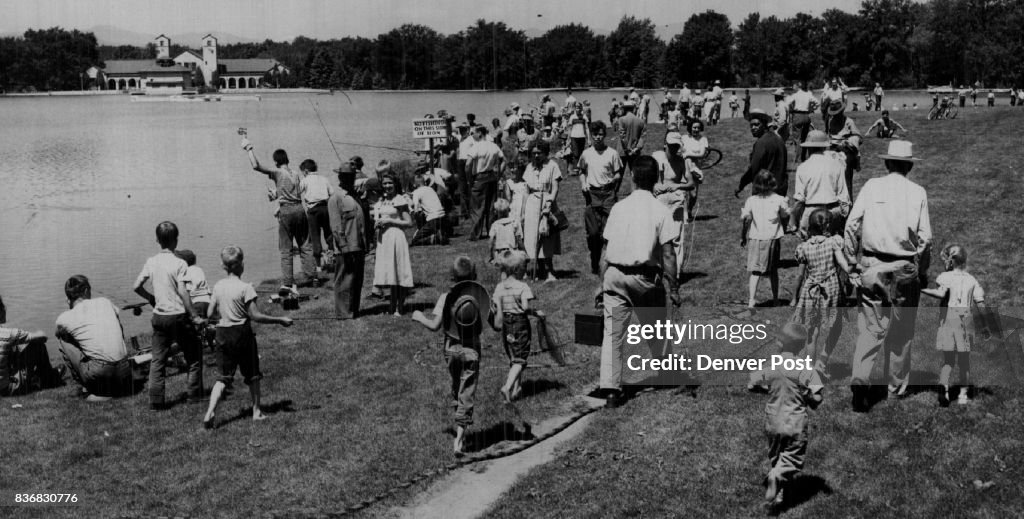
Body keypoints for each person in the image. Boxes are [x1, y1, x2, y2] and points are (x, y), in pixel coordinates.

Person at [845, 140, 931, 411]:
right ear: (909, 165)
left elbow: (851, 225)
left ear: (887, 162)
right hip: (904, 267)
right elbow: (926, 239)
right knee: (902, 331)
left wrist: (852, 262)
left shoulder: (871, 186)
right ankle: (895, 388)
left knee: (870, 328)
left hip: (871, 264)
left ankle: (860, 379)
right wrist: (924, 270)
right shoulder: (917, 192)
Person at [599, 156, 681, 407]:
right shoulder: (661, 210)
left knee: (612, 334)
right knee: (656, 326)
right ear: (656, 180)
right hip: (643, 277)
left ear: (632, 177)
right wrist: (674, 286)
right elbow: (668, 253)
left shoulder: (618, 207)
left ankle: (611, 391)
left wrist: (599, 283)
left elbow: (605, 249)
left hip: (614, 274)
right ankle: (665, 371)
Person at [202, 245, 293, 429]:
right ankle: (257, 411)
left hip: (222, 334)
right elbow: (255, 316)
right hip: (242, 334)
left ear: (223, 266)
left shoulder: (218, 286)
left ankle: (210, 410)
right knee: (252, 375)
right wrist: (280, 320)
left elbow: (210, 313)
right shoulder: (246, 288)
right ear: (241, 265)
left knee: (222, 377)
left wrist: (222, 314)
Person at [412, 256, 488, 455]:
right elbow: (493, 322)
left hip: (451, 350)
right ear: (475, 275)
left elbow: (434, 326)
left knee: (457, 387)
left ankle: (459, 430)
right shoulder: (477, 297)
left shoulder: (446, 298)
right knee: (467, 391)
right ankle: (460, 439)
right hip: (471, 351)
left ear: (451, 277)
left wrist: (419, 316)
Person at [747, 323, 824, 512]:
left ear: (780, 344)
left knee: (777, 455)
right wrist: (809, 398)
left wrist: (765, 389)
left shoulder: (770, 365)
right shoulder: (805, 368)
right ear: (801, 346)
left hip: (773, 421)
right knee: (793, 457)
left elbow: (752, 383)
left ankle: (778, 489)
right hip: (795, 421)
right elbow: (817, 397)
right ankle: (777, 477)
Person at [133, 221, 204, 410]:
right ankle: (194, 396)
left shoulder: (151, 261)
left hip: (159, 317)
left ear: (157, 240)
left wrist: (150, 298)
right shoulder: (180, 263)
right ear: (176, 240)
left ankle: (156, 402)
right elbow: (183, 292)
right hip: (178, 316)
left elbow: (136, 286)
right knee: (194, 356)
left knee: (158, 360)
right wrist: (195, 316)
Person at [242, 138, 315, 290]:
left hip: (287, 212)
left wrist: (249, 148)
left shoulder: (277, 171)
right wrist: (277, 193)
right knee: (305, 245)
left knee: (286, 247)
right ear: (287, 159)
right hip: (300, 209)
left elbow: (256, 166)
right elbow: (295, 191)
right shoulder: (295, 173)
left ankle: (288, 282)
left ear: (276, 162)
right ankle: (312, 276)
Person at [922, 244, 986, 407]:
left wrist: (922, 289)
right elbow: (980, 302)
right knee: (964, 360)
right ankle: (963, 394)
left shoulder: (945, 277)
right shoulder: (972, 279)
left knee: (948, 360)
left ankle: (944, 387)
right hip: (966, 320)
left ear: (950, 261)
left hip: (950, 319)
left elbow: (941, 293)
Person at [789, 210, 852, 375]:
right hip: (831, 290)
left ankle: (810, 371)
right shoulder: (834, 242)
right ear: (827, 226)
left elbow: (801, 273)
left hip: (811, 291)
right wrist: (851, 271)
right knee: (836, 326)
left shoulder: (803, 247)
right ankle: (822, 361)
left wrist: (795, 296)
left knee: (812, 331)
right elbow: (842, 262)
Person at [52, 277, 132, 400]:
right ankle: (115, 386)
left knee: (63, 339)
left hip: (101, 373)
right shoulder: (105, 302)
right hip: (125, 371)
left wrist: (72, 309)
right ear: (85, 291)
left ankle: (87, 388)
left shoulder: (66, 317)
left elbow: (57, 333)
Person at [576, 121, 624, 275]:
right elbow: (581, 171)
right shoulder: (587, 153)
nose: (597, 137)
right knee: (594, 232)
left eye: (600, 134)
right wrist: (583, 183)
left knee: (609, 231)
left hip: (608, 194)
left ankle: (610, 262)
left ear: (605, 135)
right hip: (592, 195)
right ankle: (594, 258)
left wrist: (614, 181)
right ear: (591, 135)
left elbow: (618, 173)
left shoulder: (612, 153)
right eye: (595, 134)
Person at [490, 250, 536, 403]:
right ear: (517, 269)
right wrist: (537, 313)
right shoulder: (523, 287)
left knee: (514, 356)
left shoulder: (499, 287)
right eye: (523, 267)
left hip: (506, 326)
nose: (525, 270)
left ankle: (516, 389)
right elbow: (525, 307)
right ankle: (507, 387)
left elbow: (496, 308)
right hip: (520, 324)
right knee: (521, 357)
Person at [787, 130, 851, 238]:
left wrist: (793, 221)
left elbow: (800, 200)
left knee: (810, 248)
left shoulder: (803, 167)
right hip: (833, 211)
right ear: (824, 147)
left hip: (811, 212)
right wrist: (843, 217)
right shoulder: (836, 164)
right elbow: (843, 196)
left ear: (808, 148)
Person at [742, 170, 790, 308]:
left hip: (756, 238)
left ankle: (751, 299)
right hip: (772, 239)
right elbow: (785, 215)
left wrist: (743, 236)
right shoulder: (779, 199)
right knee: (773, 270)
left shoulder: (751, 200)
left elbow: (746, 219)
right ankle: (775, 299)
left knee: (755, 271)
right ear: (773, 183)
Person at [652, 133, 696, 278]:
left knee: (677, 238)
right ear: (665, 144)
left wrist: (677, 186)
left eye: (676, 146)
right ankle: (658, 271)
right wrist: (656, 186)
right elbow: (648, 178)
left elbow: (690, 184)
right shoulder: (657, 158)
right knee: (658, 237)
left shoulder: (682, 162)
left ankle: (675, 274)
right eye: (671, 145)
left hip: (676, 202)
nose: (673, 148)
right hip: (660, 202)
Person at [328, 165, 367, 320]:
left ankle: (353, 310)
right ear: (340, 178)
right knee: (343, 280)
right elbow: (336, 226)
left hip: (359, 245)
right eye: (345, 176)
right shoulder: (335, 198)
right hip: (345, 247)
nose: (348, 179)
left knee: (357, 280)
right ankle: (342, 313)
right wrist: (343, 245)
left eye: (351, 176)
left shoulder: (356, 196)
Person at [373, 174, 415, 316]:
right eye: (384, 183)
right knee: (390, 273)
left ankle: (399, 307)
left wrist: (390, 222)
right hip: (384, 239)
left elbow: (409, 223)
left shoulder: (400, 200)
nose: (387, 186)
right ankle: (392, 306)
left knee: (398, 273)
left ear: (395, 184)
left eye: (390, 183)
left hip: (396, 237)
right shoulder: (382, 200)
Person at [1, 294, 58, 397]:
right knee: (37, 346)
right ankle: (50, 380)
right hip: (7, 389)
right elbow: (43, 337)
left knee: (13, 350)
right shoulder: (7, 334)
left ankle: (39, 377)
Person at [523, 141, 563, 282]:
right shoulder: (529, 167)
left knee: (547, 237)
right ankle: (540, 270)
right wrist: (523, 210)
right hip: (532, 204)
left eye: (538, 152)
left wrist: (549, 205)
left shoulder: (552, 166)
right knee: (534, 236)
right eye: (533, 153)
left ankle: (550, 271)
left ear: (545, 153)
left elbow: (555, 188)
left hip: (547, 201)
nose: (536, 155)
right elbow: (526, 190)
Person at [736, 109, 788, 198]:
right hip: (781, 188)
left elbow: (753, 169)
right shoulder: (779, 139)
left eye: (756, 125)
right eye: (751, 125)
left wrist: (741, 185)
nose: (753, 128)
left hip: (765, 189)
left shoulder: (761, 143)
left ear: (764, 125)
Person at [465, 125, 505, 241]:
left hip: (479, 177)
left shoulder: (476, 147)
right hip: (491, 176)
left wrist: (469, 179)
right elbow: (504, 161)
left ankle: (475, 234)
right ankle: (491, 231)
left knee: (477, 207)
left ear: (480, 134)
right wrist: (498, 175)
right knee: (490, 206)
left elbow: (468, 165)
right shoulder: (494, 146)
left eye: (474, 133)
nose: (472, 135)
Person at [299, 159, 335, 283]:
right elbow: (332, 193)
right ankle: (332, 260)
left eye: (303, 172)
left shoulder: (305, 180)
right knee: (329, 235)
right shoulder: (324, 179)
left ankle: (318, 267)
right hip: (325, 208)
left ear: (306, 171)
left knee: (315, 237)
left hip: (313, 211)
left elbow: (296, 192)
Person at [824, 100, 862, 197]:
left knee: (845, 181)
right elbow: (828, 135)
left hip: (846, 152)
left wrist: (847, 142)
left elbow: (858, 137)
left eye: (837, 114)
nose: (835, 116)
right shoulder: (830, 121)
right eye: (833, 114)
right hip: (832, 151)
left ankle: (848, 205)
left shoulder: (849, 121)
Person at [680, 120, 709, 221]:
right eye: (694, 127)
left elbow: (701, 154)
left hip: (696, 168)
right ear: (690, 128)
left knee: (693, 194)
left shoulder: (703, 139)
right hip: (683, 167)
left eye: (698, 128)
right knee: (682, 192)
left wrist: (688, 154)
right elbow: (679, 151)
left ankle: (689, 210)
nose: (696, 129)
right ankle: (683, 215)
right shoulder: (683, 138)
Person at [410, 172, 448, 246]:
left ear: (415, 184)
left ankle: (433, 238)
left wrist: (414, 216)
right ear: (424, 181)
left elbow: (416, 208)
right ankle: (439, 233)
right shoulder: (431, 189)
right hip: (443, 217)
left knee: (415, 241)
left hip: (433, 219)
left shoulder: (416, 192)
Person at [175, 249, 211, 321]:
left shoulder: (185, 271)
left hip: (196, 303)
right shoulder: (199, 270)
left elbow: (185, 291)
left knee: (194, 326)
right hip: (207, 302)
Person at [614, 101, 646, 178]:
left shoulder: (621, 119)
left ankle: (615, 190)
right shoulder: (641, 121)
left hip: (622, 151)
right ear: (634, 109)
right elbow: (643, 137)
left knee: (619, 174)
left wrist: (627, 149)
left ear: (624, 109)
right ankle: (635, 189)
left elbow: (622, 135)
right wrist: (636, 148)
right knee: (635, 174)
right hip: (635, 152)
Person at [788, 82, 819, 158]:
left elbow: (788, 103)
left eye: (793, 86)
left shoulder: (795, 95)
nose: (793, 88)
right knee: (804, 138)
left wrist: (791, 109)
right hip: (806, 116)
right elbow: (817, 103)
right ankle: (803, 156)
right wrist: (812, 108)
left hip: (797, 115)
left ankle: (798, 157)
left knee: (797, 138)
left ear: (797, 86)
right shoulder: (808, 94)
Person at [456, 122, 475, 220]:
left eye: (463, 129)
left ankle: (472, 210)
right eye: (460, 129)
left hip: (469, 161)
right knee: (462, 188)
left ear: (468, 130)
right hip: (461, 162)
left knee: (470, 186)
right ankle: (464, 212)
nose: (461, 131)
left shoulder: (471, 139)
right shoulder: (460, 138)